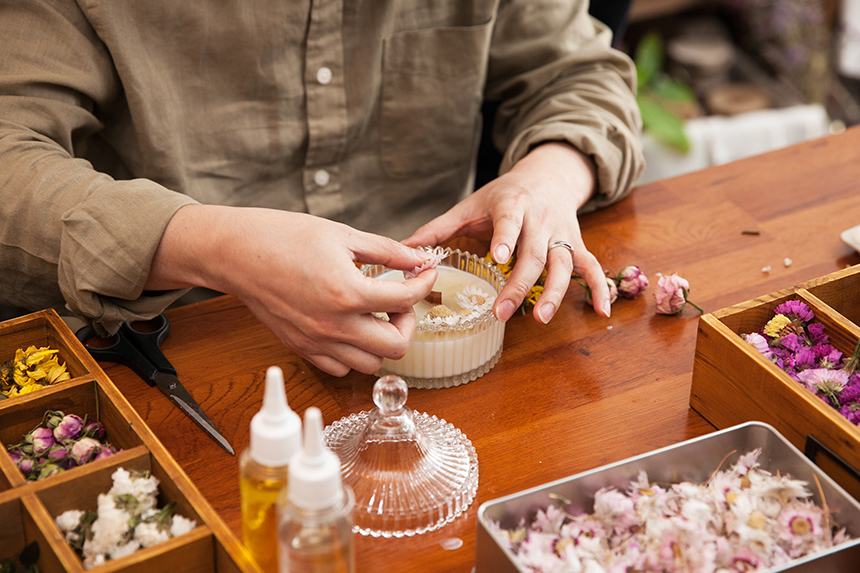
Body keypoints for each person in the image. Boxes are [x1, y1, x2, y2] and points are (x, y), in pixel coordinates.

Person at [0, 0, 644, 377]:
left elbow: (580, 75)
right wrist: (213, 245)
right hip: (184, 339)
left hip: (449, 334)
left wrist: (548, 176)